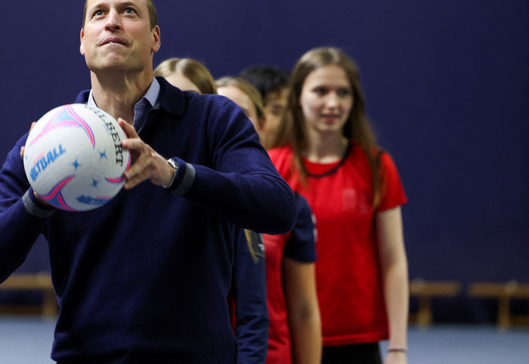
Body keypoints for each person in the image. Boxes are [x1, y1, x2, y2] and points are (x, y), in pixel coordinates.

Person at [0, 0, 297, 363]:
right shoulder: (41, 148)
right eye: (99, 13)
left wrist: (173, 174)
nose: (113, 21)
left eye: (128, 12)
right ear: (83, 40)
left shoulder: (213, 118)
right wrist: (40, 196)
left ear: (155, 38)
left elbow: (277, 207)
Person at [269, 47, 409, 364]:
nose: (333, 103)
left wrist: (398, 347)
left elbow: (393, 258)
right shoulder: (273, 166)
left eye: (343, 92)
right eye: (321, 91)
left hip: (357, 341)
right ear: (298, 96)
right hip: (291, 337)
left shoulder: (377, 166)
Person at [155, 59, 269, 364]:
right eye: (167, 98)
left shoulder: (230, 201)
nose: (175, 113)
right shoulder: (131, 186)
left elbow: (252, 317)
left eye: (190, 99)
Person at [224, 72, 322, 364]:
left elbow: (304, 310)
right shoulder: (180, 201)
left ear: (262, 124)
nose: (226, 123)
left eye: (240, 114)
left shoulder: (288, 206)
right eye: (216, 111)